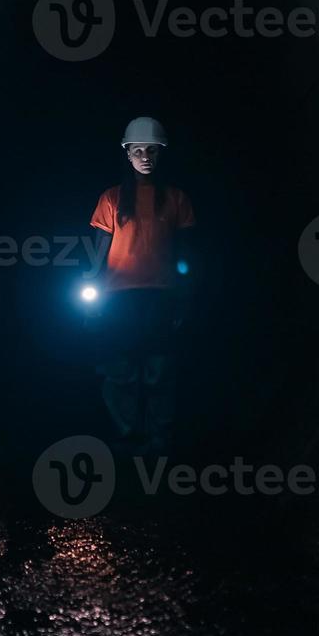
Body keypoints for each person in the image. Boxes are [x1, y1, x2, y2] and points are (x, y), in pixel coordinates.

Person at [87, 117, 196, 450]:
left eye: (151, 150)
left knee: (159, 369)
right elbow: (99, 247)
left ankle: (159, 438)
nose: (145, 156)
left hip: (161, 295)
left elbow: (185, 251)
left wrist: (184, 291)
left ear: (161, 154)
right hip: (118, 295)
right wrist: (90, 282)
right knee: (120, 368)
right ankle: (126, 434)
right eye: (138, 150)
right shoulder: (112, 198)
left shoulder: (176, 199)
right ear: (128, 154)